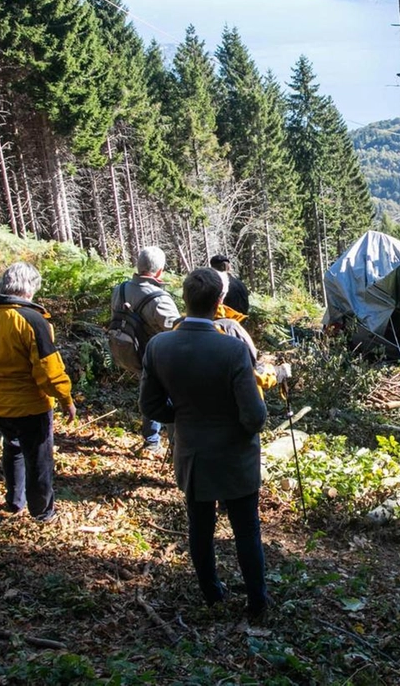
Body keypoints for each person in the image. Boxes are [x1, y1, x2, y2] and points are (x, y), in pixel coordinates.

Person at [140, 268, 269, 616]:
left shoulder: (158, 346)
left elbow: (149, 406)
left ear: (185, 299)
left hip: (191, 452)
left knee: (200, 528)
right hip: (235, 455)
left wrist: (184, 417)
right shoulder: (232, 350)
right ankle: (257, 600)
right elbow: (254, 416)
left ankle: (211, 594)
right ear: (219, 303)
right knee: (246, 530)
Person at [0, 262, 76, 523]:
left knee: (12, 448)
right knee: (39, 459)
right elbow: (48, 369)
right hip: (30, 406)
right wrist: (65, 398)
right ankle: (43, 513)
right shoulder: (33, 320)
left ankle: (15, 503)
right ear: (30, 289)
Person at [109, 246, 181, 455]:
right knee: (169, 399)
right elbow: (178, 331)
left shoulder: (120, 289)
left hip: (130, 352)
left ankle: (151, 441)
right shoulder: (159, 299)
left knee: (148, 392)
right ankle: (176, 446)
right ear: (159, 272)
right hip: (157, 357)